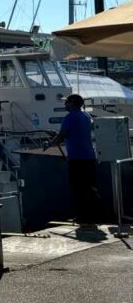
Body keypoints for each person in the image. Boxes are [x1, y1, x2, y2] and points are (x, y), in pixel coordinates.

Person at [45, 93, 98, 225]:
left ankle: (82, 217)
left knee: (78, 188)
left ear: (72, 103)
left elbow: (62, 136)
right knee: (88, 187)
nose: (64, 104)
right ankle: (90, 216)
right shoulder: (86, 116)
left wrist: (49, 144)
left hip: (77, 158)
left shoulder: (69, 117)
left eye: (66, 102)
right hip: (89, 157)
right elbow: (74, 132)